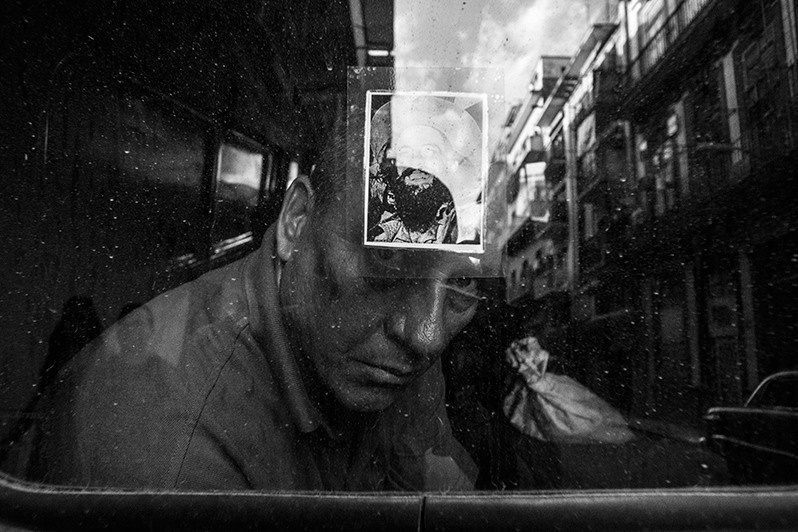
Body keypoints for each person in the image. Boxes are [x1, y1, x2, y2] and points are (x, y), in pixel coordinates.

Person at [27, 115, 483, 491]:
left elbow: (438, 486)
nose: (429, 335)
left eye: (462, 280)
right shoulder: (167, 446)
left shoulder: (393, 345)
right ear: (297, 221)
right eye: (388, 260)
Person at [367, 95, 483, 246]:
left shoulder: (473, 224)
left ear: (449, 162)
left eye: (429, 150)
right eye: (405, 152)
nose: (415, 162)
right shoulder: (380, 234)